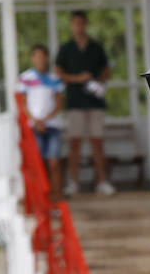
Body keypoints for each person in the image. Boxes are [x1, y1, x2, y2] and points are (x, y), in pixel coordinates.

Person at [54, 11, 113, 196]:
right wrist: (78, 78)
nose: (79, 26)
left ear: (85, 24)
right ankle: (73, 182)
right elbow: (59, 72)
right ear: (72, 25)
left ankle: (102, 181)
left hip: (94, 101)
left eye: (81, 23)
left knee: (98, 142)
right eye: (75, 23)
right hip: (75, 102)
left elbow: (106, 68)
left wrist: (100, 83)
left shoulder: (96, 47)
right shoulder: (66, 49)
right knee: (75, 143)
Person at [17, 44, 65, 196]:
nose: (40, 59)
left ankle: (57, 197)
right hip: (34, 127)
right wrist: (35, 120)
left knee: (54, 162)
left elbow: (59, 104)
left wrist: (45, 119)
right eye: (36, 56)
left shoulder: (55, 79)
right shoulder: (25, 78)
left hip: (52, 125)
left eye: (42, 56)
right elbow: (23, 103)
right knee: (37, 163)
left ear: (47, 58)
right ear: (32, 58)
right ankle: (41, 196)